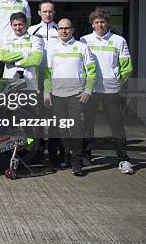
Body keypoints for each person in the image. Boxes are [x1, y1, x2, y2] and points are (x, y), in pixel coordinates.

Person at [80, 9, 135, 174]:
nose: (99, 25)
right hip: (90, 90)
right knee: (87, 125)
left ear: (108, 23)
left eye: (102, 22)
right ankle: (86, 156)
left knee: (117, 126)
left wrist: (117, 83)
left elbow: (127, 67)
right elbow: (80, 65)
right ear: (92, 24)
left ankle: (123, 159)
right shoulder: (84, 40)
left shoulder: (118, 40)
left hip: (111, 91)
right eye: (96, 22)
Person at [44, 18, 96, 176]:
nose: (64, 31)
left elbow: (92, 71)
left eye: (67, 28)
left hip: (76, 95)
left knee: (76, 129)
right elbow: (48, 73)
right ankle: (65, 159)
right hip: (57, 95)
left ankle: (76, 163)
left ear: (73, 30)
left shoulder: (82, 47)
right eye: (61, 28)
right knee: (62, 130)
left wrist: (88, 90)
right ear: (57, 30)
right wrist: (47, 93)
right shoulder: (51, 48)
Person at [28, 0, 61, 164]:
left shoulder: (60, 30)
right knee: (37, 117)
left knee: (55, 118)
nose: (47, 14)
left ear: (54, 13)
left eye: (50, 11)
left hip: (56, 80)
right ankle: (38, 152)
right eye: (44, 11)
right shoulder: (31, 30)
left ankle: (54, 153)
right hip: (36, 80)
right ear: (39, 13)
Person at [0, 12, 43, 91]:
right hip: (9, 82)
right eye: (15, 25)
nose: (18, 27)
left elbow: (36, 60)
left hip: (30, 83)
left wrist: (16, 62)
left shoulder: (35, 39)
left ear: (26, 24)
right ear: (11, 25)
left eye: (20, 24)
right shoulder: (5, 40)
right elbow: (2, 57)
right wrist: (25, 54)